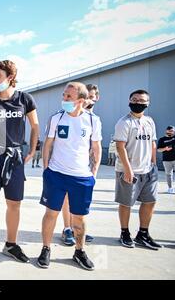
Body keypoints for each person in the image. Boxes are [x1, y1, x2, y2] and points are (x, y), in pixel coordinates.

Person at [0, 60, 39, 268]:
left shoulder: (25, 99)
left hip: (14, 156)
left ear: (10, 77)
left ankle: (11, 245)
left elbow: (35, 125)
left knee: (14, 204)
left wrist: (31, 150)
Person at [37, 82, 102, 271]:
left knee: (79, 219)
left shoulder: (92, 121)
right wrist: (47, 169)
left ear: (81, 101)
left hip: (81, 177)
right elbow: (48, 144)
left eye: (68, 97)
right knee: (51, 214)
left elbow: (96, 148)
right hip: (56, 174)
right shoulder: (56, 118)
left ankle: (79, 251)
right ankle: (46, 249)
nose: (64, 99)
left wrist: (94, 173)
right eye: (64, 95)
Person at [114, 89, 162, 250]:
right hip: (129, 170)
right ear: (129, 101)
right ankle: (124, 232)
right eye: (134, 100)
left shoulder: (149, 121)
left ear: (147, 104)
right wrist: (127, 169)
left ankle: (143, 233)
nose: (138, 103)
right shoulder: (124, 122)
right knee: (126, 203)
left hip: (148, 170)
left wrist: (154, 164)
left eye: (141, 101)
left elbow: (153, 143)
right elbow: (120, 147)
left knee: (150, 201)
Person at [60, 83, 99, 246]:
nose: (90, 100)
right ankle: (67, 228)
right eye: (87, 97)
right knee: (67, 198)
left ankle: (78, 228)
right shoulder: (67, 115)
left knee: (81, 200)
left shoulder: (93, 119)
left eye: (92, 97)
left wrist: (94, 169)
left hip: (85, 163)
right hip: (68, 163)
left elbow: (95, 145)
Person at [157, 125, 175, 194]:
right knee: (168, 174)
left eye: (172, 131)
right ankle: (170, 188)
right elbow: (158, 150)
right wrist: (165, 148)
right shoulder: (162, 139)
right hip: (166, 160)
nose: (171, 132)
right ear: (166, 131)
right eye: (169, 131)